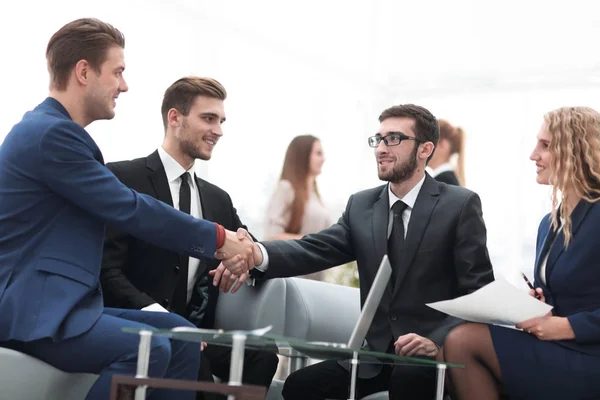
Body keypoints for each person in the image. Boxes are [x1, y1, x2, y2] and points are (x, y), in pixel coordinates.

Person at [0, 18, 252, 400]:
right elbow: (129, 208)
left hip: (68, 307)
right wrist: (217, 237)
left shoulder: (59, 134)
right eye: (117, 72)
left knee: (181, 336)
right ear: (84, 72)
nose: (124, 85)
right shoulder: (52, 135)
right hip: (35, 312)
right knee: (145, 349)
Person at [214, 104, 495, 400]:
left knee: (409, 381)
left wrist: (437, 342)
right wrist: (255, 253)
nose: (381, 149)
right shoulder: (362, 205)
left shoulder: (459, 205)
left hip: (431, 359)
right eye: (378, 139)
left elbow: (478, 294)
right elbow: (314, 248)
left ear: (425, 149)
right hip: (372, 360)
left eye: (394, 139)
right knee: (299, 386)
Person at [101, 76, 279, 400]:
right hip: (142, 325)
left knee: (263, 354)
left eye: (221, 121)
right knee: (193, 364)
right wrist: (163, 318)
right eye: (208, 118)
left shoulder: (217, 200)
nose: (219, 130)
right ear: (175, 118)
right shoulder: (123, 178)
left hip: (202, 335)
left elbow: (248, 248)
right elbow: (107, 271)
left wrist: (240, 261)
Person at [442, 106, 600, 400]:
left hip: (589, 353)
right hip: (561, 348)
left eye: (545, 145)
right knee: (449, 353)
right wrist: (543, 305)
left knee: (463, 342)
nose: (533, 155)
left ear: (575, 151)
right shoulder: (549, 223)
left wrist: (565, 326)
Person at [264, 135, 332, 280]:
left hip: (316, 280)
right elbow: (271, 236)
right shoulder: (286, 188)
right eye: (318, 153)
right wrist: (314, 243)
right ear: (303, 155)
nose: (323, 159)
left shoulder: (316, 196)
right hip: (294, 280)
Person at [427, 119, 465, 186]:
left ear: (443, 145)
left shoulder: (443, 182)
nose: (423, 148)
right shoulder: (446, 180)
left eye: (429, 143)